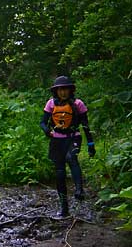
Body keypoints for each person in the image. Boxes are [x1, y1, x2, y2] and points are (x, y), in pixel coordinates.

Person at [40, 76, 95, 217]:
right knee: (60, 174)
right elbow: (43, 122)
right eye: (60, 90)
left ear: (71, 90)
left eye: (65, 89)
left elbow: (86, 126)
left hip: (73, 137)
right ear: (56, 91)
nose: (63, 92)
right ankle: (64, 208)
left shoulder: (78, 104)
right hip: (57, 141)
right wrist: (46, 130)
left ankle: (79, 190)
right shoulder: (51, 104)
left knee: (71, 158)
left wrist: (90, 144)